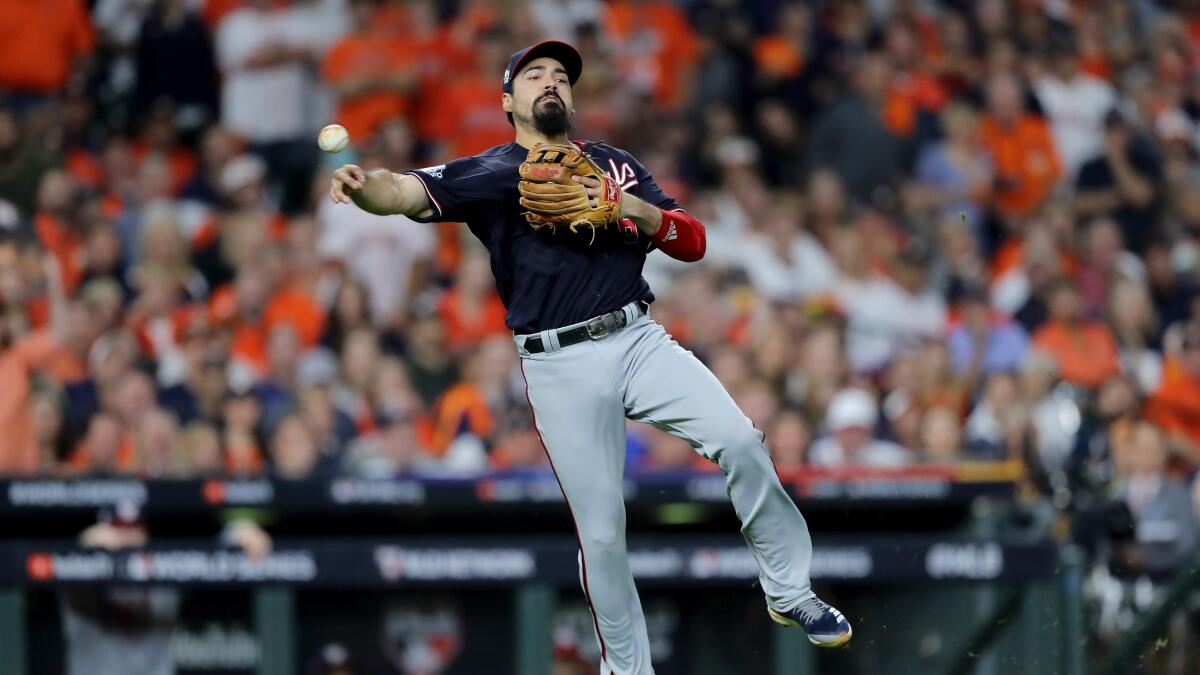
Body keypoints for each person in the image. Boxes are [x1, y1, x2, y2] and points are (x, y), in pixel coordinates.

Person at [330, 40, 851, 673]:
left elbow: (694, 241)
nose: (550, 82)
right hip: (558, 364)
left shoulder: (615, 165)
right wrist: (364, 189)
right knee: (602, 535)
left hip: (637, 338)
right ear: (508, 100)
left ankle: (788, 590)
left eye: (560, 76)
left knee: (740, 440)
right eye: (534, 75)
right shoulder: (494, 172)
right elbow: (406, 191)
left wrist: (628, 206)